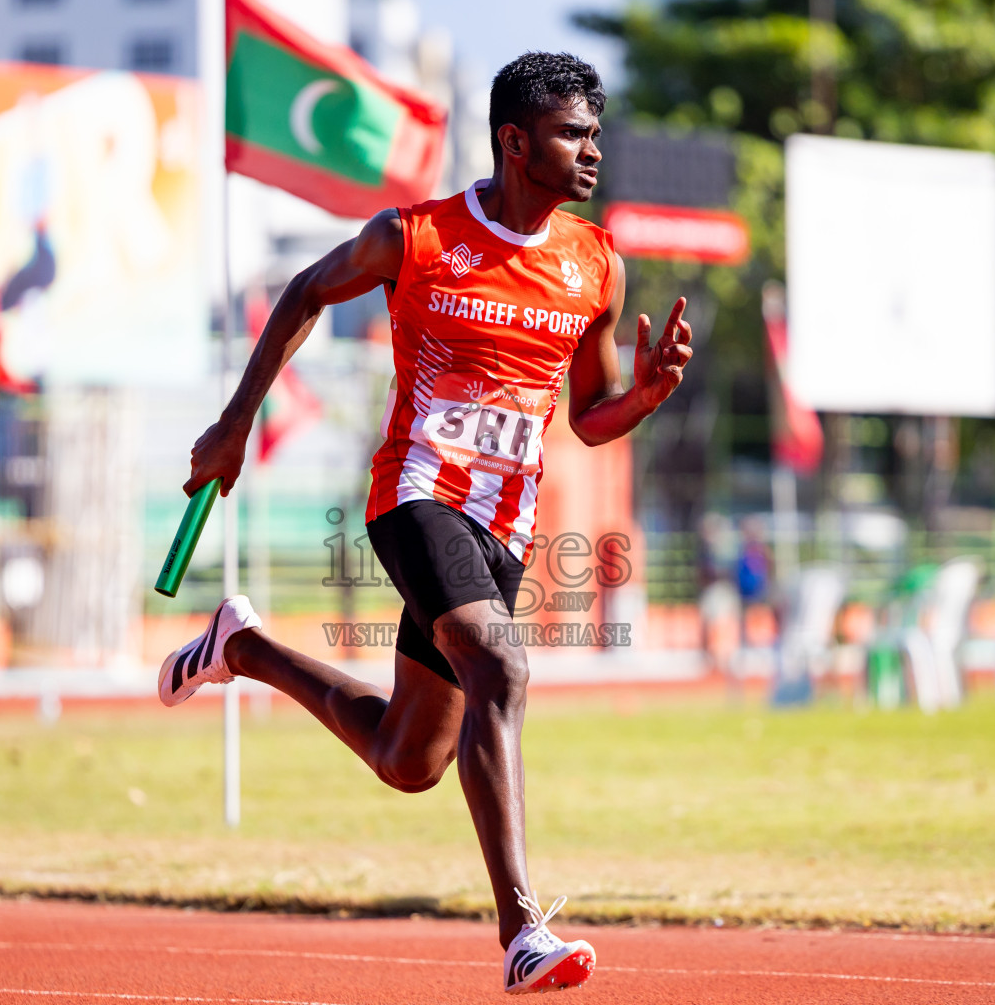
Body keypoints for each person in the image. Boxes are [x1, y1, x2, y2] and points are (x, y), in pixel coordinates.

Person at [161, 51, 692, 995]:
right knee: (505, 667)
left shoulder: (595, 264)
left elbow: (590, 414)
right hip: (415, 497)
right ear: (513, 140)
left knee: (412, 760)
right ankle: (522, 930)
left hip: (505, 527)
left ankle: (242, 649)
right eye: (573, 133)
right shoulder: (415, 236)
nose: (591, 151)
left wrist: (643, 398)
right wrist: (236, 421)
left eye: (595, 134)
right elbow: (303, 294)